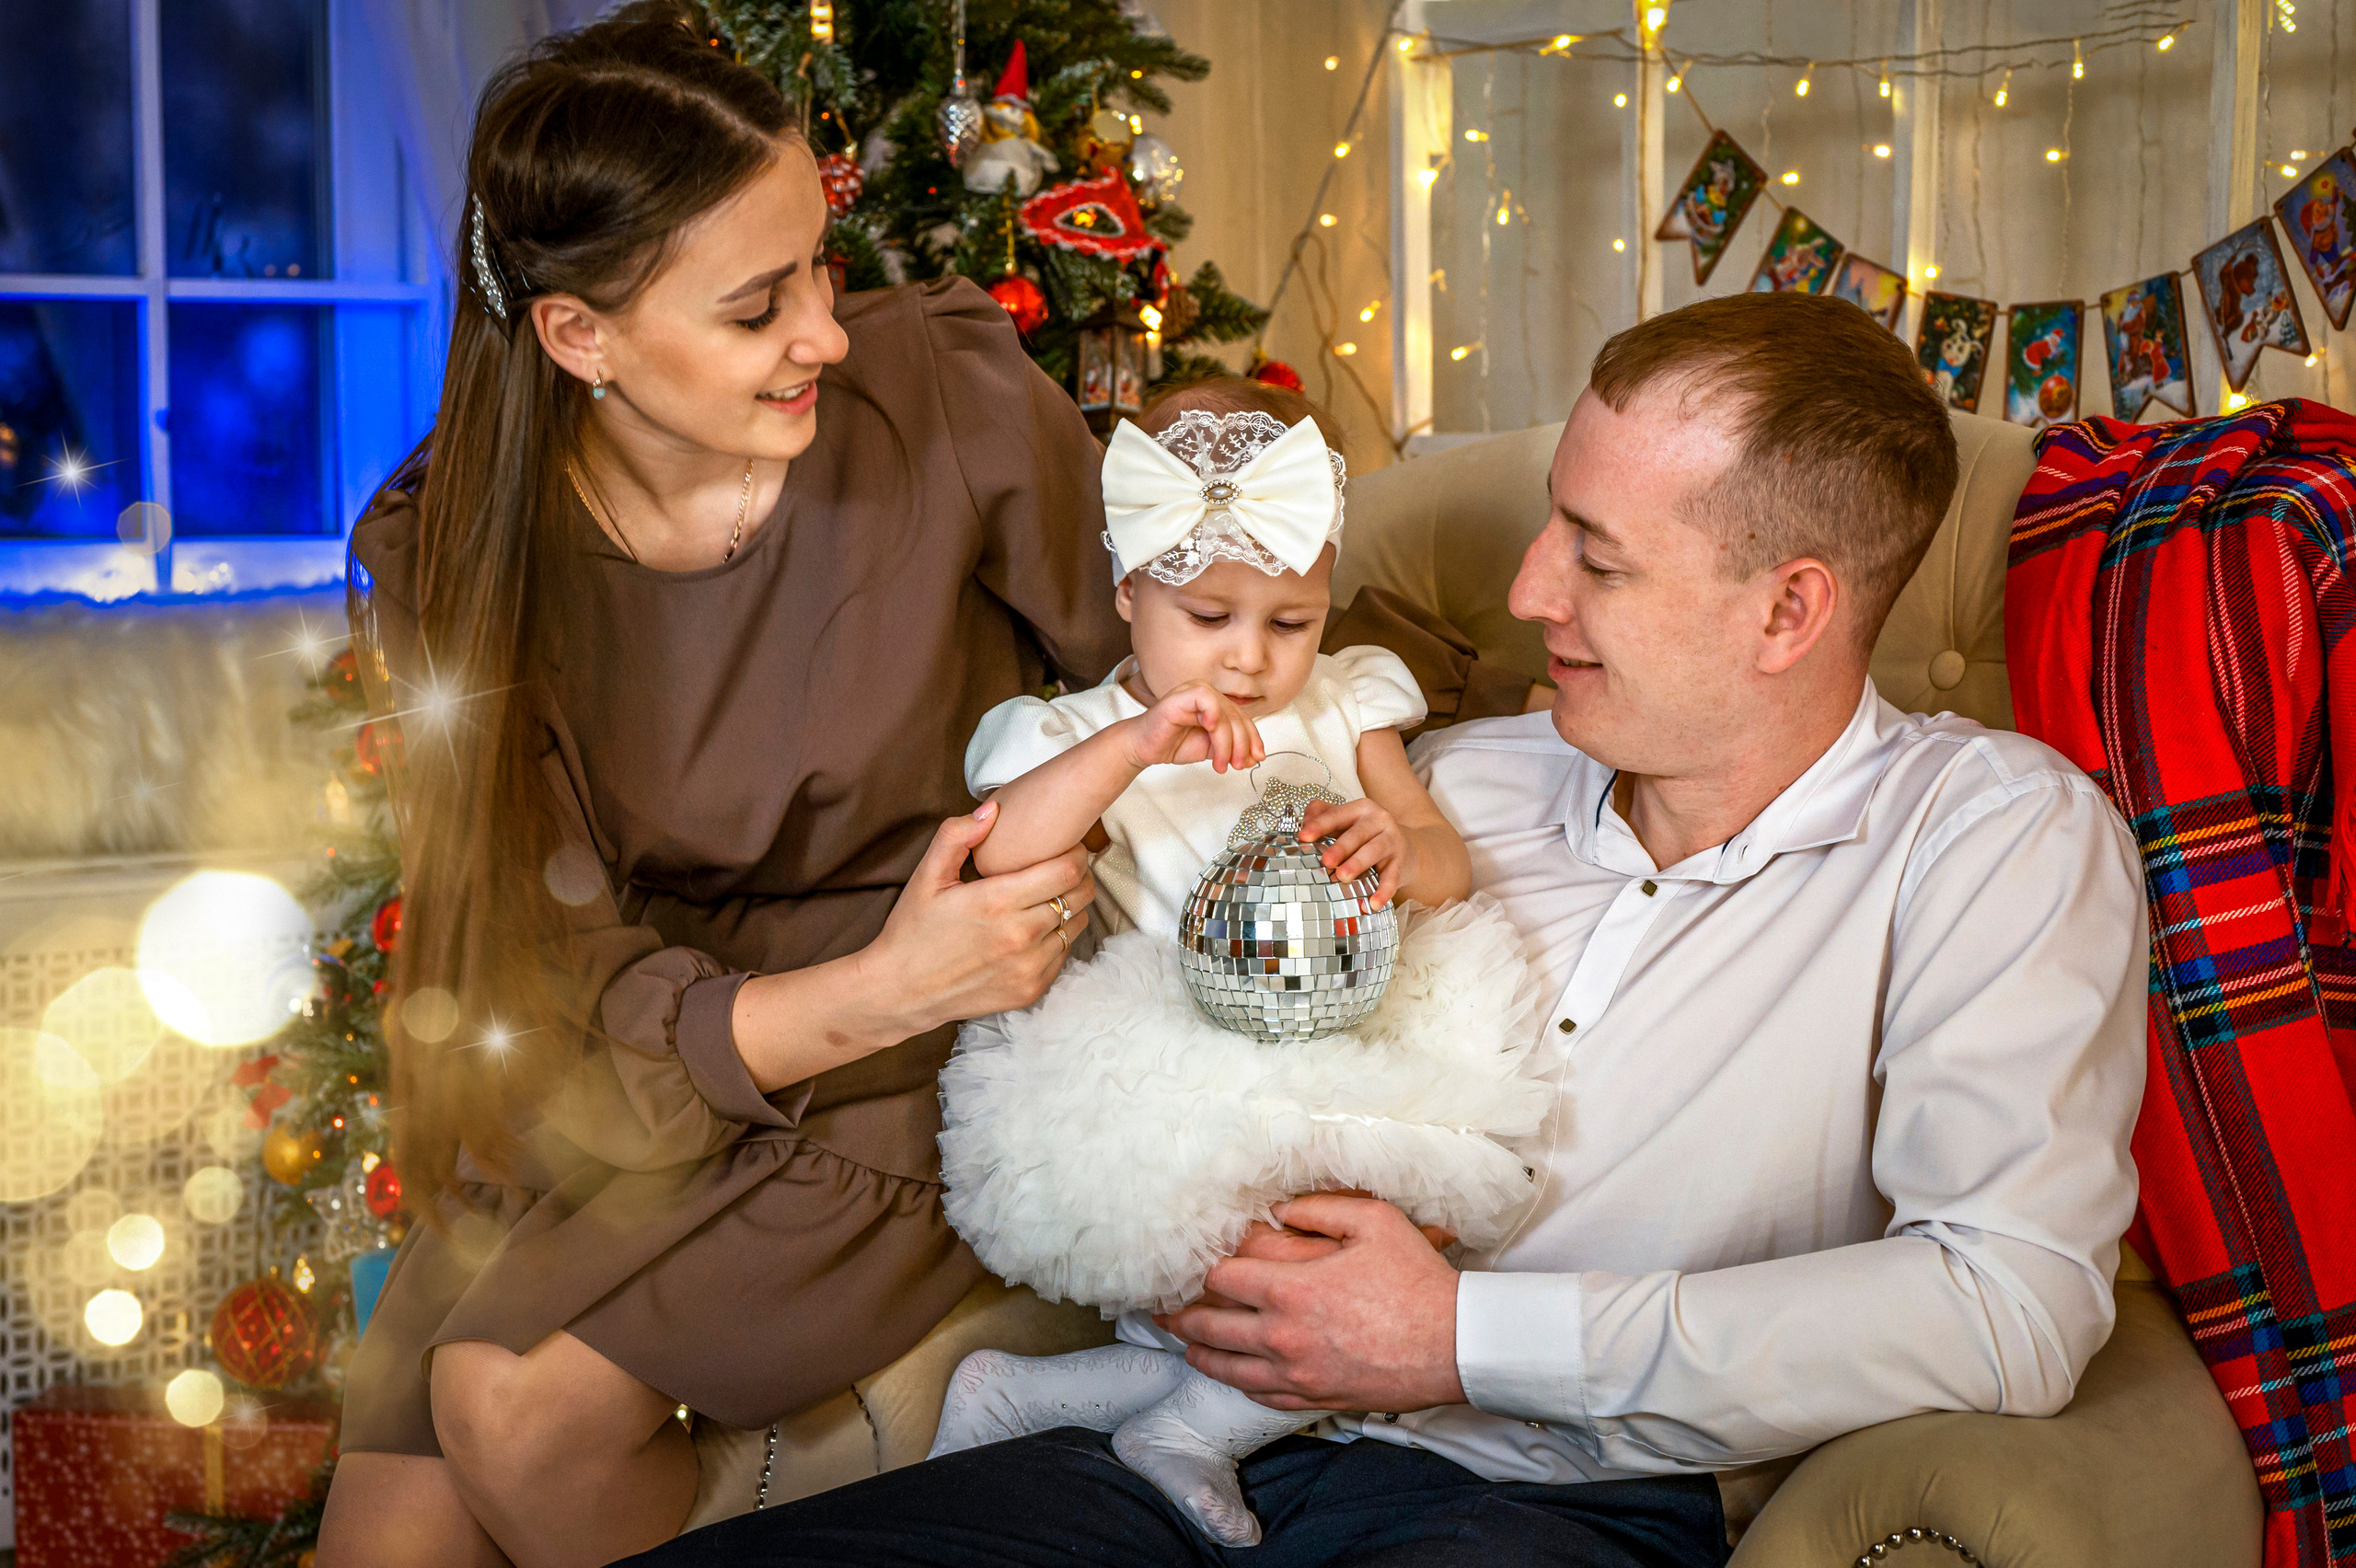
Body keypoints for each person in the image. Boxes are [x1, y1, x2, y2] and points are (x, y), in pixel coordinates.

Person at [624, 290, 2148, 1567]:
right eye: (1552, 518)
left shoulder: (1991, 837)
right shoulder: (1451, 779)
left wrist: (1460, 1333)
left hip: (1553, 1499)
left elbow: (2009, 1303)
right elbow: (1180, 1011)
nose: (1525, 586)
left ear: (1788, 610)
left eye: (1596, 555)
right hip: (1162, 1447)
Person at [317, 14, 1536, 1565]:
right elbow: (540, 964)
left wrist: (1402, 791)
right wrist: (868, 984)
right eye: (760, 306)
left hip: (951, 1040)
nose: (825, 328)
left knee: (516, 1406)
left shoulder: (938, 401)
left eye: (819, 265)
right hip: (667, 1054)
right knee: (385, 1535)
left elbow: (1190, 663)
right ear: (579, 338)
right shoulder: (458, 559)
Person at [923, 382, 1548, 1547]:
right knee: (1260, 1263)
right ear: (1127, 594)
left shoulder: (1345, 704)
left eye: (1290, 620)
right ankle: (1181, 1424)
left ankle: (1069, 1401)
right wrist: (1133, 744)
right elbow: (1003, 846)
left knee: (1385, 1245)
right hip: (1169, 1044)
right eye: (1208, 617)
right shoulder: (1072, 739)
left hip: (1344, 1025)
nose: (1253, 660)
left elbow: (1445, 862)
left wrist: (1397, 847)